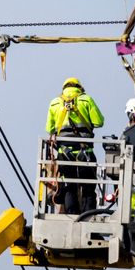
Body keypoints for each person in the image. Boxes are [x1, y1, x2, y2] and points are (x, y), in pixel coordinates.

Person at [46, 77, 104, 214]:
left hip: (64, 152)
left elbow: (49, 129)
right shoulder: (86, 100)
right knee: (88, 187)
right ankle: (88, 215)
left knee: (68, 186)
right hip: (85, 151)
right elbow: (99, 122)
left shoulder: (55, 103)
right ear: (79, 87)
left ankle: (72, 214)